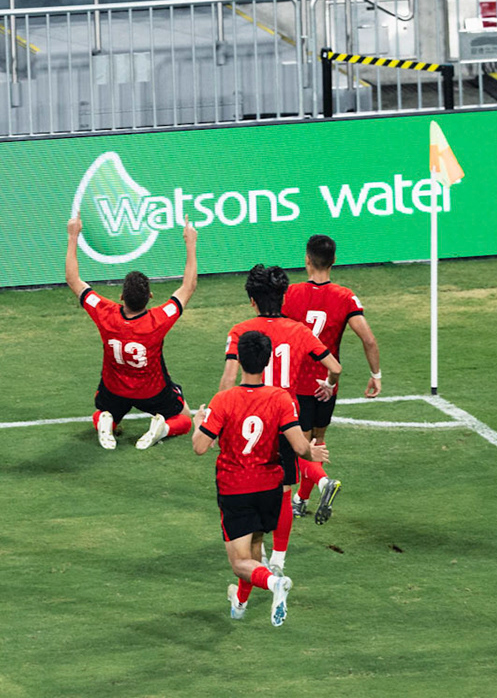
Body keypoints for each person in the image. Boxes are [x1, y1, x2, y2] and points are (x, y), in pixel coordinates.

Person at [216, 262, 341, 586]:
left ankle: (250, 563)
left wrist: (219, 416)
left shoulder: (241, 330)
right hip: (286, 422)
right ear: (283, 296)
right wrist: (328, 383)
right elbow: (335, 366)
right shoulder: (299, 330)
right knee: (284, 494)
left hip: (249, 422)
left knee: (243, 491)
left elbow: (229, 378)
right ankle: (278, 561)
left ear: (252, 300)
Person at [193, 328, 327, 627]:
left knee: (240, 563)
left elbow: (201, 447)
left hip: (235, 489)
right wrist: (311, 453)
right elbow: (299, 446)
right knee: (254, 548)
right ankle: (239, 603)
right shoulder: (280, 399)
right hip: (269, 489)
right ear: (267, 362)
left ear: (239, 359)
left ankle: (274, 584)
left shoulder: (224, 400)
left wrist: (198, 423)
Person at [64, 215, 199, 451]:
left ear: (121, 297)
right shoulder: (158, 319)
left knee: (103, 412)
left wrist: (73, 235)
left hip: (114, 389)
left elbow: (72, 279)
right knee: (185, 419)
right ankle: (162, 429)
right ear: (150, 297)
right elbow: (188, 286)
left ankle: (106, 422)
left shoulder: (104, 312)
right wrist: (190, 244)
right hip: (153, 392)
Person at [281, 234, 381, 529]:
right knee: (318, 443)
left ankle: (323, 484)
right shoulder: (345, 297)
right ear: (334, 261)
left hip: (298, 384)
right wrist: (376, 375)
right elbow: (369, 339)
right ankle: (301, 500)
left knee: (301, 447)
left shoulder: (291, 294)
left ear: (307, 260)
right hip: (327, 384)